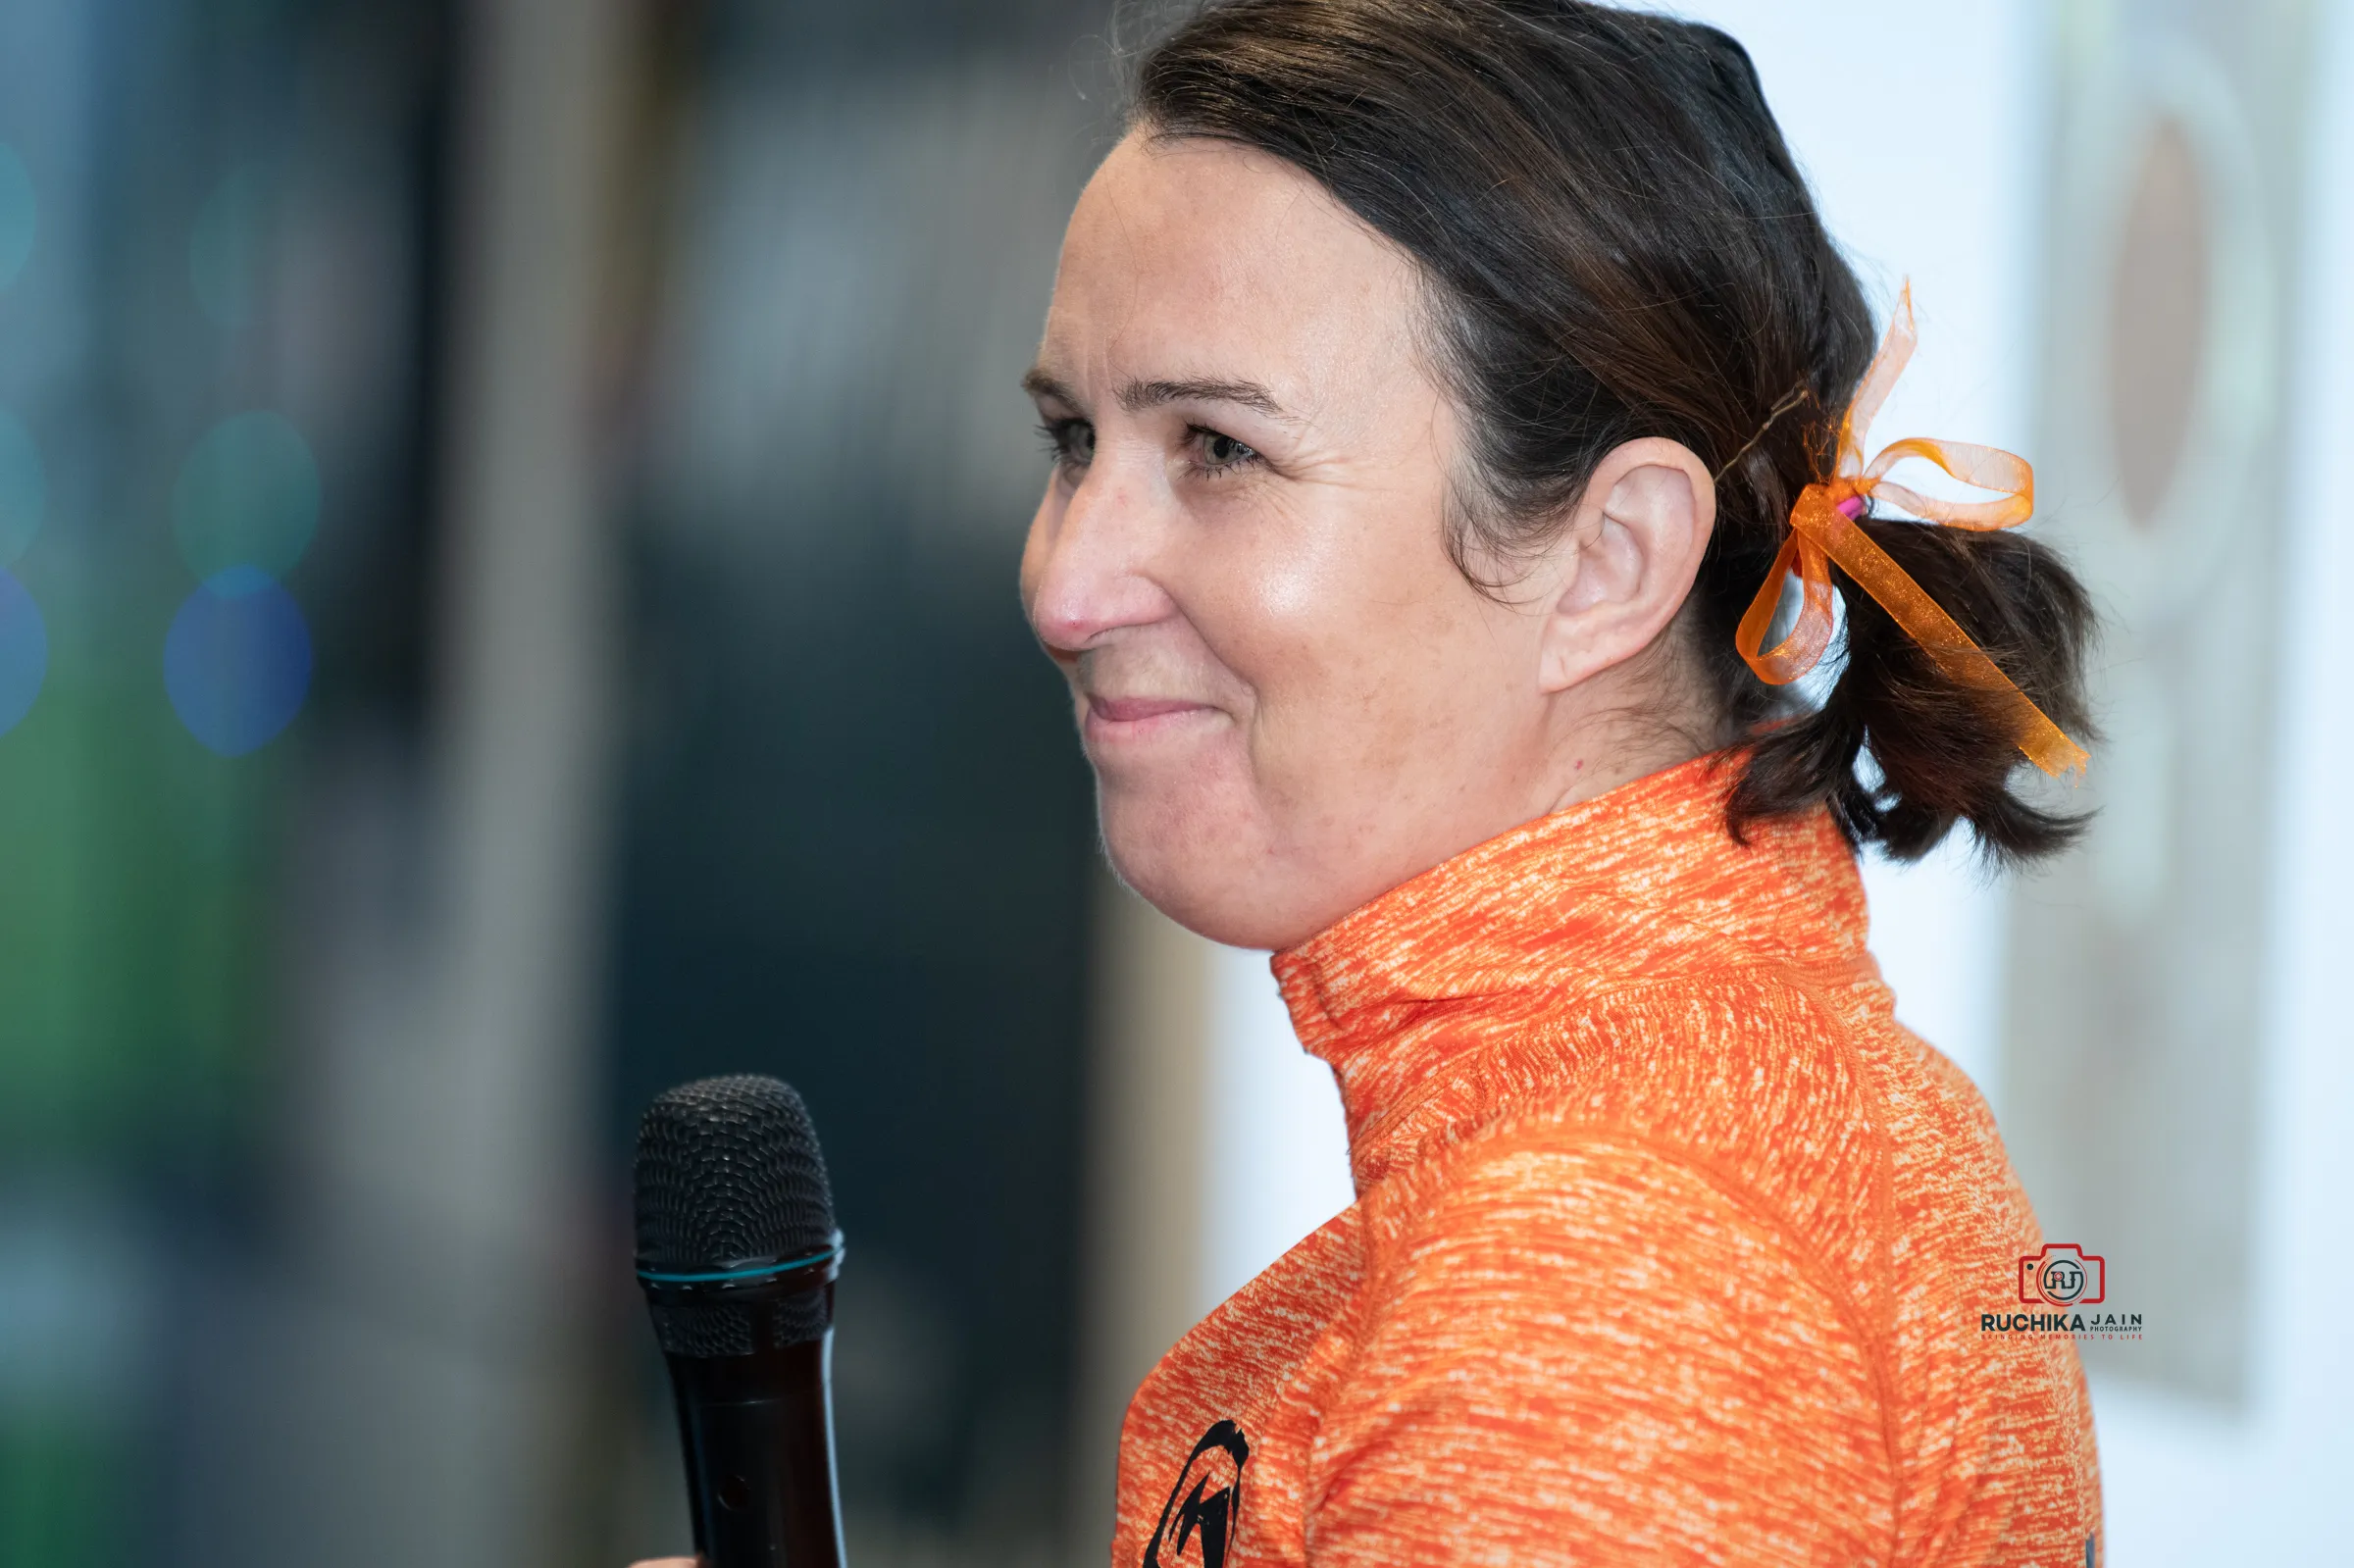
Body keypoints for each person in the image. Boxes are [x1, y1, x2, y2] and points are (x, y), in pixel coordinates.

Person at [640, 1, 2102, 1564]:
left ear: (1609, 561)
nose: (1061, 585)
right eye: (1073, 438)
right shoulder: (1709, 1120)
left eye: (1217, 449)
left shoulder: (1606, 1278)